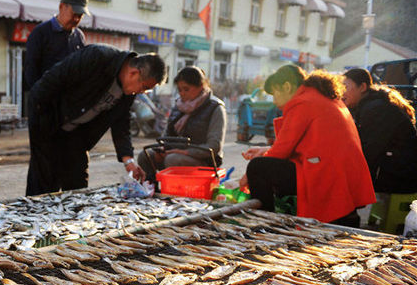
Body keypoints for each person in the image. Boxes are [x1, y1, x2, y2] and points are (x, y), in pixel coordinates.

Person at [240, 64, 375, 226]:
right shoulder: (321, 96)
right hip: (341, 172)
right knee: (263, 164)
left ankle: (265, 225)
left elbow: (281, 152)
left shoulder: (302, 102)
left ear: (287, 87)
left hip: (326, 174)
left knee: (257, 168)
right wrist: (265, 150)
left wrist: (247, 176)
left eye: (275, 93)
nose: (274, 100)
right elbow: (304, 143)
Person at [26, 45, 167, 196]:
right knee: (44, 183)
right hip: (49, 121)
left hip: (77, 134)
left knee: (77, 186)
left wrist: (129, 161)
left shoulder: (128, 93)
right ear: (134, 73)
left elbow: (121, 124)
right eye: (144, 87)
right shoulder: (97, 57)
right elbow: (50, 83)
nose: (142, 92)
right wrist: (41, 124)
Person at [137, 66, 226, 183]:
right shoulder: (178, 106)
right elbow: (166, 135)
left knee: (173, 159)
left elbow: (214, 146)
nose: (182, 94)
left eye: (186, 89)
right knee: (145, 155)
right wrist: (162, 149)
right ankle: (151, 187)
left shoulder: (216, 108)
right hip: (174, 153)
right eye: (179, 90)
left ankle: (175, 191)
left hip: (204, 161)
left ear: (201, 86)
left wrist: (183, 152)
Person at [342, 67, 417, 194]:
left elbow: (370, 151)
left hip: (400, 178)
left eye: (345, 87)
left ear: (362, 87)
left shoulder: (376, 109)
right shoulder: (367, 106)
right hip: (394, 172)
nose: (341, 92)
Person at [22, 0, 89, 94]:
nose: (76, 19)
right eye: (74, 14)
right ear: (61, 7)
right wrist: (40, 94)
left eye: (80, 16)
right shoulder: (40, 33)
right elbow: (30, 69)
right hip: (46, 96)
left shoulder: (79, 36)